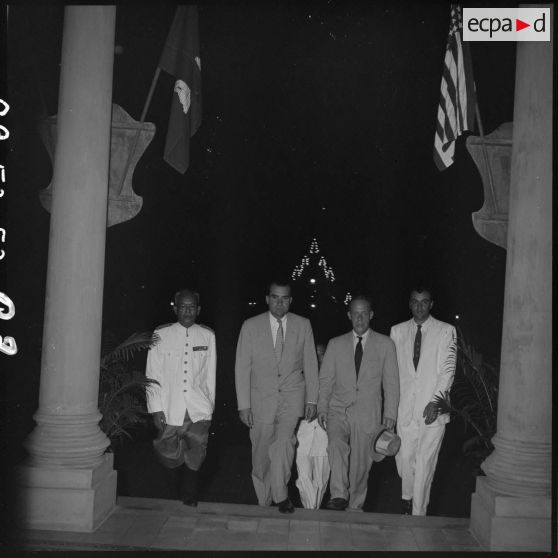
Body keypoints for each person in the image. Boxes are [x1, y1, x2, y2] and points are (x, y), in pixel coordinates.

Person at [235, 279, 319, 514]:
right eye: (275, 297)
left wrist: (312, 399)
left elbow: (311, 364)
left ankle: (281, 494)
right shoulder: (250, 326)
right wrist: (244, 405)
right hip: (260, 400)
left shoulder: (303, 325)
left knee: (284, 443)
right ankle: (264, 501)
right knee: (261, 456)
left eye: (284, 298)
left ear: (290, 300)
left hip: (292, 396)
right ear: (267, 299)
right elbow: (242, 367)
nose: (279, 303)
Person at [317, 295, 399, 512]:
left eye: (364, 313)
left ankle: (354, 509)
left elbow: (391, 382)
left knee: (360, 468)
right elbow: (325, 380)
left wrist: (390, 413)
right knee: (336, 444)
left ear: (371, 315)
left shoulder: (386, 345)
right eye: (355, 313)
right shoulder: (335, 344)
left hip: (368, 413)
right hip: (338, 410)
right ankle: (338, 495)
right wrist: (322, 408)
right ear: (349, 315)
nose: (360, 318)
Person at [145, 288, 216, 507]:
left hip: (198, 408)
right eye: (183, 307)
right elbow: (152, 375)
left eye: (192, 307)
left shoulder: (207, 335)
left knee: (196, 451)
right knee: (167, 452)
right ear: (175, 309)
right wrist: (156, 409)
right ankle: (176, 490)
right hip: (169, 407)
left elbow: (209, 375)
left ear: (199, 309)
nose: (188, 311)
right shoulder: (161, 334)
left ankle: (190, 495)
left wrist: (209, 407)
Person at [390, 286, 456, 516]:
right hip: (404, 409)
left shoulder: (446, 331)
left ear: (431, 304)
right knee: (404, 459)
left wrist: (434, 402)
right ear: (409, 303)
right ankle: (407, 497)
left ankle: (418, 514)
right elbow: (393, 372)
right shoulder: (397, 331)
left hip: (434, 409)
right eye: (415, 302)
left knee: (425, 463)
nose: (419, 306)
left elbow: (447, 371)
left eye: (424, 302)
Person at [295, 343, 330, 510]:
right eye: (314, 355)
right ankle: (311, 512)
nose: (317, 358)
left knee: (321, 482)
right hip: (302, 436)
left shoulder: (332, 381)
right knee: (303, 478)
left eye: (321, 354)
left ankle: (312, 511)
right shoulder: (299, 380)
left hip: (324, 438)